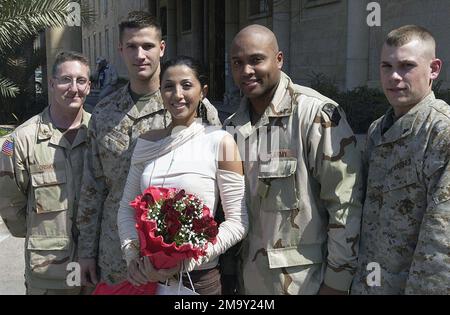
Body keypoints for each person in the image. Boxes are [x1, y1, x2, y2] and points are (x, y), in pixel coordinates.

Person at [76, 11, 220, 290]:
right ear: (120, 50)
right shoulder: (104, 113)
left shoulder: (195, 109)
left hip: (178, 259)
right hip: (118, 256)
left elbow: (217, 186)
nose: (139, 54)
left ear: (162, 48)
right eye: (131, 46)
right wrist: (85, 253)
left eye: (148, 46)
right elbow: (92, 188)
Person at [224, 25, 363, 295]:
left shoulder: (315, 115)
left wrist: (337, 283)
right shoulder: (232, 126)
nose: (246, 71)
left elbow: (345, 204)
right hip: (248, 282)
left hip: (303, 284)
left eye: (256, 60)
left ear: (279, 59)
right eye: (237, 63)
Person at [117, 56, 248, 295]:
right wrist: (132, 257)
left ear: (203, 91)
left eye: (186, 85)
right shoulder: (146, 142)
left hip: (198, 280)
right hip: (148, 278)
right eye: (169, 86)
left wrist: (184, 262)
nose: (177, 94)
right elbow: (127, 208)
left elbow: (238, 223)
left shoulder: (221, 141)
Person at [351, 25, 450, 295]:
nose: (393, 76)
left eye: (406, 66)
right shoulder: (377, 130)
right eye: (386, 66)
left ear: (434, 69)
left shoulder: (441, 133)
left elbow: (441, 243)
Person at [0, 51, 92, 295]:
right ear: (51, 84)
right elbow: (10, 203)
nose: (74, 88)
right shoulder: (23, 139)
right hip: (49, 272)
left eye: (81, 81)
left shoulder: (101, 133)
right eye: (65, 80)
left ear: (89, 86)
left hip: (96, 267)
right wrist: (42, 235)